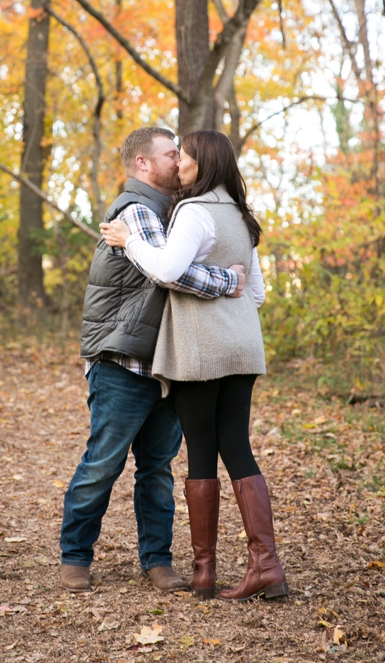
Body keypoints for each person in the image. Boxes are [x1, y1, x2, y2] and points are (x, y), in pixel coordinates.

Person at [99, 129, 288, 602]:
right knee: (237, 448)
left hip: (200, 349)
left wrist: (127, 242)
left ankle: (205, 572)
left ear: (201, 162)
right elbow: (256, 293)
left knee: (201, 452)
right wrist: (229, 291)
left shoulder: (192, 211)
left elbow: (165, 270)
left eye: (183, 156)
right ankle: (266, 565)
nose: (178, 163)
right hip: (244, 346)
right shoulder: (243, 217)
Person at [60, 127, 247, 594]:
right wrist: (229, 280)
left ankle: (157, 560)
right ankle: (75, 556)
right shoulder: (138, 211)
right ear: (143, 164)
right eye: (170, 154)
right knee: (103, 463)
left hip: (167, 361)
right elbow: (172, 274)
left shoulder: (181, 211)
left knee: (157, 467)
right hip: (124, 359)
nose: (178, 161)